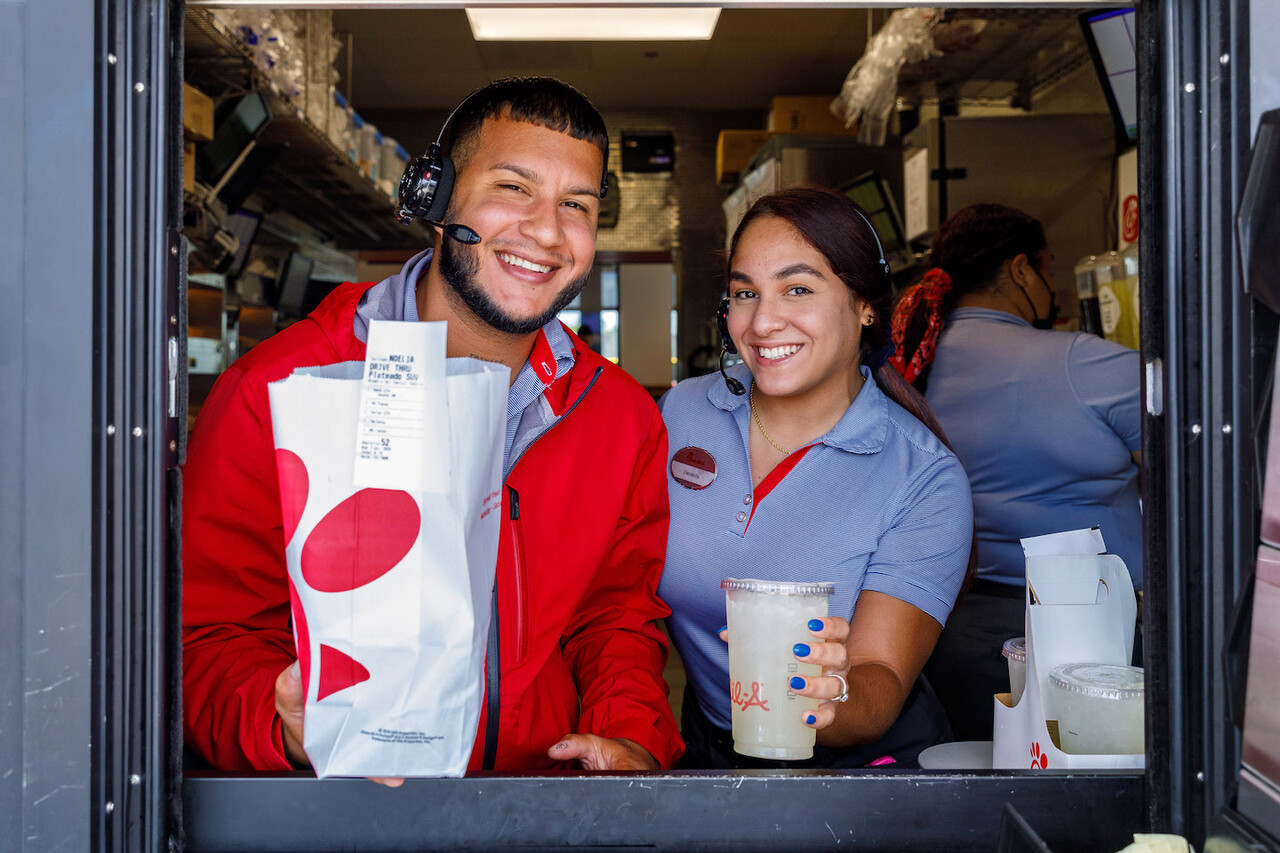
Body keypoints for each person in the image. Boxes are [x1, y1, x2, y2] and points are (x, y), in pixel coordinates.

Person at [182, 77, 683, 776]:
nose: (545, 230)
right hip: (342, 810)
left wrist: (628, 732)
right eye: (514, 188)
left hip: (537, 806)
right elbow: (212, 635)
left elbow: (617, 617)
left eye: (577, 205)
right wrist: (282, 723)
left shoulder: (621, 417)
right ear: (436, 196)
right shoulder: (276, 391)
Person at [658, 187, 974, 768]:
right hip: (708, 743)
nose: (762, 321)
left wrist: (829, 696)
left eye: (797, 288)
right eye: (744, 293)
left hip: (853, 766)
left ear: (865, 305)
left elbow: (880, 679)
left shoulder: (923, 478)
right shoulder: (679, 416)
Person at [892, 203, 1142, 741]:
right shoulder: (1085, 363)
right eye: (1049, 270)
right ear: (1021, 270)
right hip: (1087, 636)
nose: (1052, 287)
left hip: (944, 633)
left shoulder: (912, 365)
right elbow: (1192, 468)